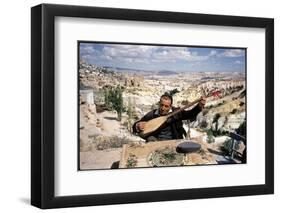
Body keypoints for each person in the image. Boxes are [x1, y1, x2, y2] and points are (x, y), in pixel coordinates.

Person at [132, 93, 206, 142]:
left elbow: (190, 114)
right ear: (159, 103)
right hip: (156, 141)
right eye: (161, 105)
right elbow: (135, 126)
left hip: (174, 141)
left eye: (166, 106)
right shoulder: (152, 114)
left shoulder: (177, 112)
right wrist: (137, 126)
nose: (163, 108)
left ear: (170, 106)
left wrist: (199, 106)